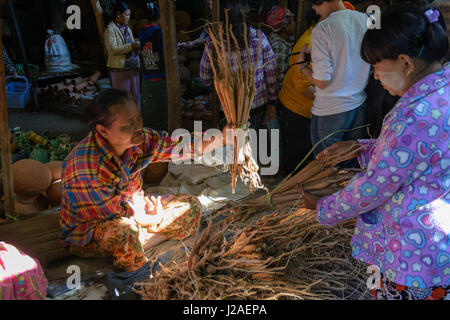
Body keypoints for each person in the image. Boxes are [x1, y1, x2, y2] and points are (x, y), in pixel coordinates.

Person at [303, 4, 449, 300]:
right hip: (432, 247)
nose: (375, 76)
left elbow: (373, 186)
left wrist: (323, 207)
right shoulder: (439, 93)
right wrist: (362, 146)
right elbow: (415, 157)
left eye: (377, 66)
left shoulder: (415, 115)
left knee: (383, 294)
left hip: (408, 254)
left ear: (405, 62)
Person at [60, 89, 234, 272]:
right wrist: (154, 218)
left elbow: (178, 146)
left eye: (138, 118)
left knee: (191, 205)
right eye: (128, 125)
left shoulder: (140, 140)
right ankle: (140, 246)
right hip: (95, 230)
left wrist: (222, 139)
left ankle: (142, 242)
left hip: (137, 211)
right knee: (127, 233)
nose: (138, 127)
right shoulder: (87, 168)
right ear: (103, 131)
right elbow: (116, 216)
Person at [296, 0, 370, 166]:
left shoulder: (323, 28)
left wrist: (303, 68)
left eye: (314, 5)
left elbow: (322, 82)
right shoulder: (365, 20)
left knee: (328, 167)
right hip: (358, 104)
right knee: (353, 162)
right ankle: (351, 192)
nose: (314, 10)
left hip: (330, 110)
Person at [199, 0, 278, 132]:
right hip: (257, 106)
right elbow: (271, 75)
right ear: (245, 17)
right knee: (255, 146)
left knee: (231, 148)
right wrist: (272, 102)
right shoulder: (259, 37)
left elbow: (205, 78)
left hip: (227, 110)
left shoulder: (214, 42)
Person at [276, 8, 321, 174]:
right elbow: (301, 85)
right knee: (297, 160)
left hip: (308, 110)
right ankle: (293, 194)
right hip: (295, 110)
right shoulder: (308, 43)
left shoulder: (324, 40)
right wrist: (331, 99)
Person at [104, 1, 142, 109]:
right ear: (118, 15)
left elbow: (130, 44)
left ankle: (136, 122)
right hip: (120, 69)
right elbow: (112, 49)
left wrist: (136, 45)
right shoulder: (110, 30)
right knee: (122, 99)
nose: (129, 17)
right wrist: (131, 46)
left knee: (134, 97)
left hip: (132, 68)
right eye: (127, 14)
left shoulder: (127, 28)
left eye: (129, 15)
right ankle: (123, 124)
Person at [138, 2, 168, 131]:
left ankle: (148, 132)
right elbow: (163, 52)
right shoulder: (158, 32)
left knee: (149, 107)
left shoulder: (141, 32)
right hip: (160, 74)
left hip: (146, 74)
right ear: (160, 17)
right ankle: (161, 134)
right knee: (161, 107)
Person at [266, 6, 295, 90]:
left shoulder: (275, 37)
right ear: (286, 26)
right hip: (280, 92)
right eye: (293, 22)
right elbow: (279, 76)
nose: (295, 24)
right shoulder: (280, 46)